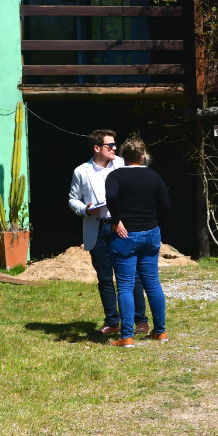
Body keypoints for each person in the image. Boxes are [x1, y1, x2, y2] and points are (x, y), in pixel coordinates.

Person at [69, 129, 149, 336]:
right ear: (97, 148)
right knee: (105, 278)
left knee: (132, 276)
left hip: (122, 227)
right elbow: (72, 199)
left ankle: (141, 320)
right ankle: (112, 321)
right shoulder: (81, 171)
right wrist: (85, 209)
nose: (115, 148)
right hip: (97, 227)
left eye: (115, 145)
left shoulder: (123, 165)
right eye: (110, 145)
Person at [105, 136, 169, 347]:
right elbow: (165, 205)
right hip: (150, 233)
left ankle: (127, 336)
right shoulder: (154, 176)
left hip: (125, 235)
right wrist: (157, 223)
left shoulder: (116, 176)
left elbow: (112, 198)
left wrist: (116, 221)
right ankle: (160, 332)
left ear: (123, 156)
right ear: (143, 156)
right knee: (152, 283)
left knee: (125, 286)